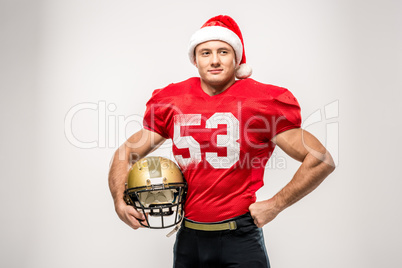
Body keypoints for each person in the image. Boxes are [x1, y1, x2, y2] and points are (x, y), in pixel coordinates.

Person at [108, 15, 335, 268]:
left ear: (236, 58)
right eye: (205, 52)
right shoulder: (173, 100)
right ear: (195, 59)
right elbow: (126, 152)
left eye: (223, 51)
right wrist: (119, 200)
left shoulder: (261, 101)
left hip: (240, 238)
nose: (214, 60)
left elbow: (320, 158)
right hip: (188, 238)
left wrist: (275, 205)